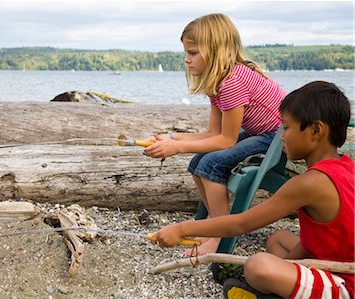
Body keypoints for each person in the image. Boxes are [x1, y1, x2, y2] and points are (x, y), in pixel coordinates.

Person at [150, 81, 354, 298]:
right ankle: (285, 288)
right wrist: (288, 268)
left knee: (258, 266)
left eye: (286, 127)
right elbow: (314, 238)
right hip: (332, 259)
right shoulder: (346, 166)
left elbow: (242, 223)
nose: (282, 136)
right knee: (278, 239)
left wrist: (182, 229)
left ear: (316, 130)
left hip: (345, 283)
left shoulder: (310, 182)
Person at [144, 13, 286, 255]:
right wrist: (173, 139)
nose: (187, 60)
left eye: (193, 53)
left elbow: (226, 140)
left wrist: (176, 147)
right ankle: (211, 226)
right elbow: (213, 132)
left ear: (216, 51)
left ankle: (220, 235)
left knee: (211, 164)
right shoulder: (218, 82)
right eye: (186, 53)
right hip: (261, 132)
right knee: (197, 162)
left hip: (278, 138)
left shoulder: (232, 82)